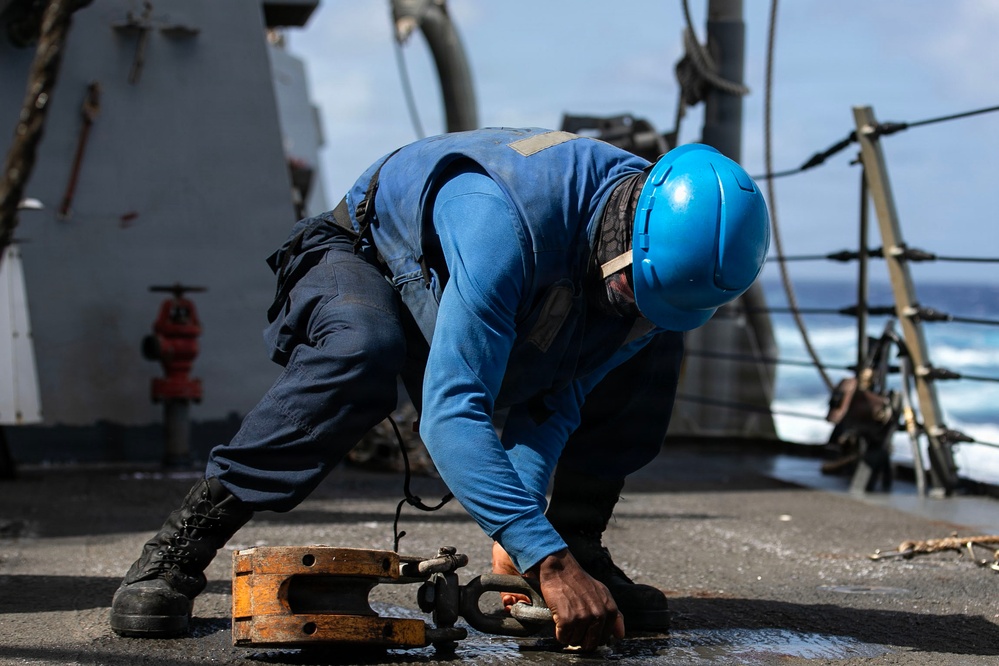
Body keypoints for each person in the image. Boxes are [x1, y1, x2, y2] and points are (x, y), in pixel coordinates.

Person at [109, 127, 770, 650]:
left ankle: (580, 548)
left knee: (647, 359)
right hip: (364, 255)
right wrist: (544, 561)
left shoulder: (652, 274)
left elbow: (556, 403)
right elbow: (454, 413)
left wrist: (530, 545)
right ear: (628, 236)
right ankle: (178, 549)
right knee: (362, 347)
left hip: (512, 285)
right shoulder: (501, 224)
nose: (639, 313)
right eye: (634, 293)